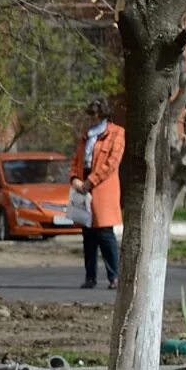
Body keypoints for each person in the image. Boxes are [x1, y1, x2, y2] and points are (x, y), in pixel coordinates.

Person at [73, 96, 123, 289]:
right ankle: (90, 276)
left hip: (103, 189)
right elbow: (76, 160)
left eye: (94, 114)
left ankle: (114, 276)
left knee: (105, 233)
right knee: (88, 235)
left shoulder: (117, 133)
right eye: (90, 114)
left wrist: (90, 181)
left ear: (103, 114)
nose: (91, 118)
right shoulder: (87, 135)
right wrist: (74, 179)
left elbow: (111, 164)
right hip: (83, 186)